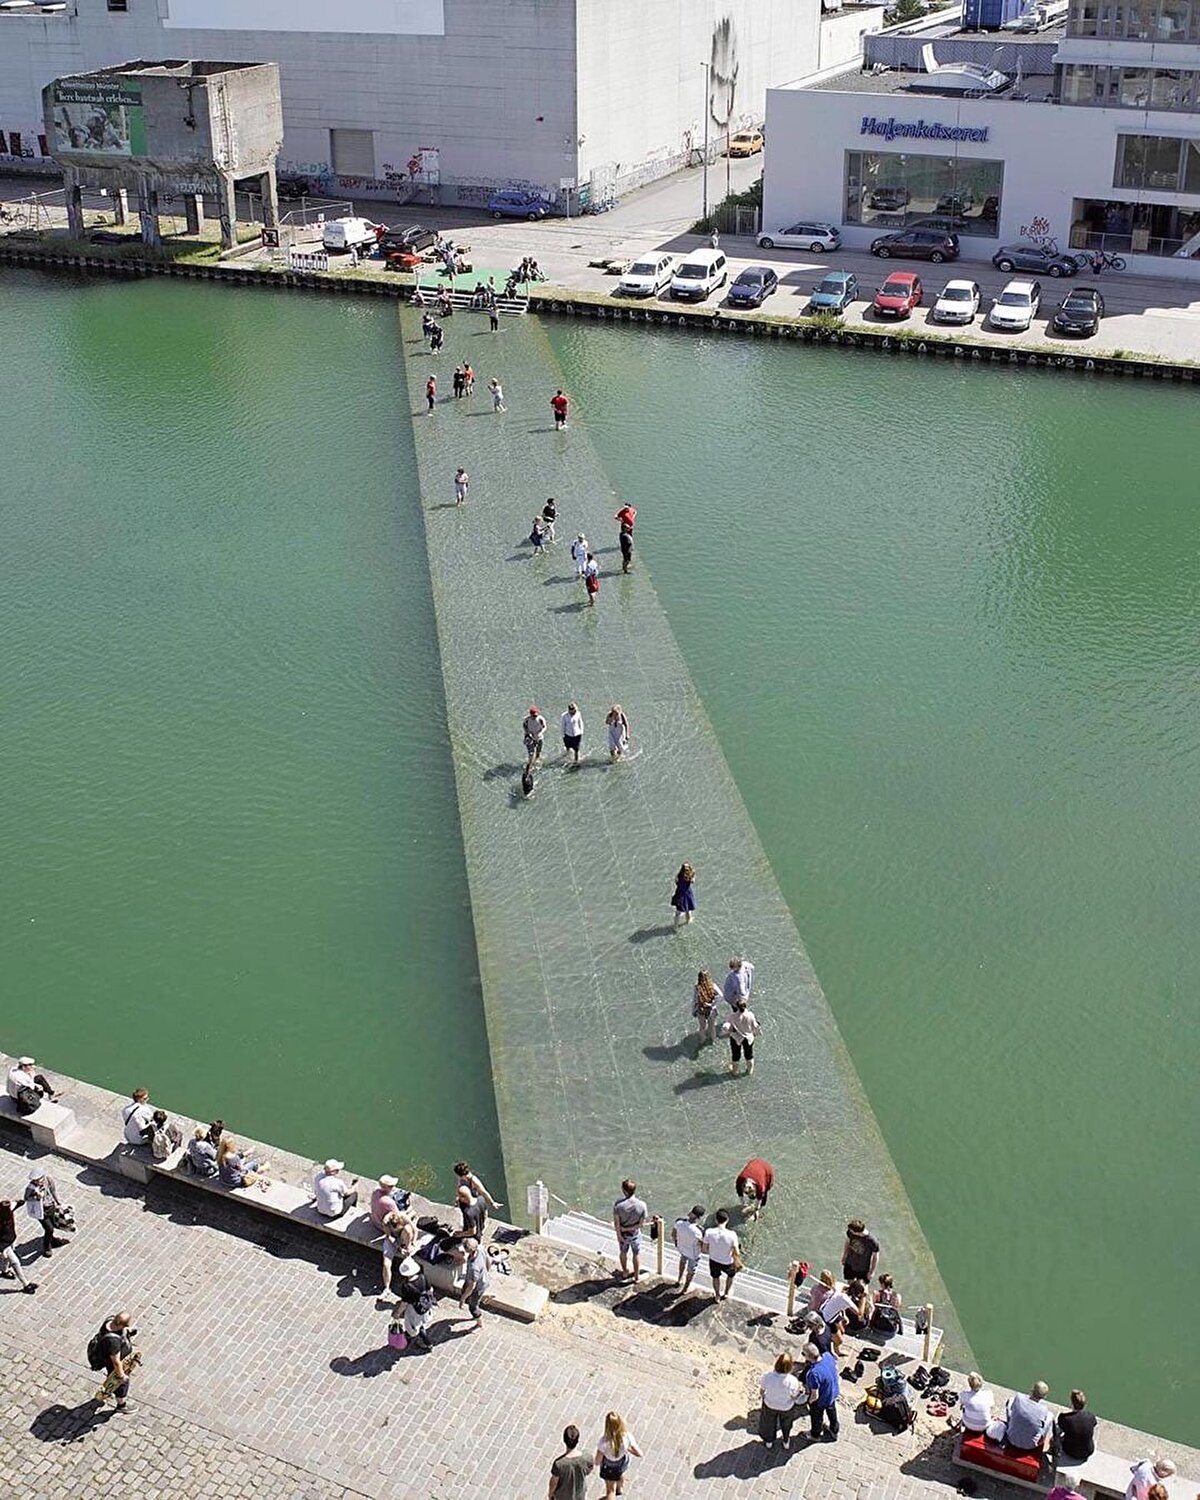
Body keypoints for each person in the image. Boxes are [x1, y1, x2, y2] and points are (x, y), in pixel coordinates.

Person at [995, 1382, 1054, 1454]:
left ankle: (1010, 1424)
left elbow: (1011, 1406)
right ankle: (1042, 1439)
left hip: (1011, 1438)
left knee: (1011, 1401)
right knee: (1050, 1416)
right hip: (1030, 1445)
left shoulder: (1019, 1398)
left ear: (1032, 1389)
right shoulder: (1043, 1410)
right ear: (1044, 1397)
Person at [759, 1351, 803, 1447]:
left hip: (770, 1404)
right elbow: (794, 1396)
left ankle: (769, 1441)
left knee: (769, 1423)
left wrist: (765, 1397)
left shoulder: (767, 1376)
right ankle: (786, 1440)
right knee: (786, 1424)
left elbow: (762, 1390)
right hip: (786, 1407)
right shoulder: (792, 1381)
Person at [594, 1412, 641, 1499]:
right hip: (621, 1463)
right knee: (619, 1474)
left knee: (610, 1491)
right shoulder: (627, 1437)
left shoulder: (603, 1442)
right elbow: (639, 1453)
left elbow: (597, 1461)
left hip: (609, 1467)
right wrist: (628, 1449)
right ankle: (620, 1488)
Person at [95, 1312, 136, 1412]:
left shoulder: (110, 1321)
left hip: (108, 1358)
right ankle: (121, 1405)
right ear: (121, 1325)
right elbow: (116, 1361)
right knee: (121, 1384)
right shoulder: (113, 1342)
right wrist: (121, 1376)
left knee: (112, 1377)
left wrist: (126, 1331)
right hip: (114, 1364)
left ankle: (107, 1392)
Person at [24, 1167, 68, 1259]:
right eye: (35, 1181)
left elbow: (53, 1191)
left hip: (51, 1207)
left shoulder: (49, 1180)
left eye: (38, 1180)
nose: (37, 1182)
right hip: (41, 1211)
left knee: (54, 1224)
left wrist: (58, 1202)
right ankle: (47, 1247)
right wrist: (36, 1197)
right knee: (49, 1229)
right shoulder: (31, 1188)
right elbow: (26, 1198)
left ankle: (53, 1240)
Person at [393, 1255, 435, 1351]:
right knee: (421, 1323)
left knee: (416, 1326)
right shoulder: (423, 1277)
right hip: (425, 1304)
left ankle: (427, 1343)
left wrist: (397, 1313)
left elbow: (404, 1303)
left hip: (414, 1309)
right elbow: (430, 1290)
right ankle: (415, 1336)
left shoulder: (406, 1286)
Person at [803, 1340, 841, 1442]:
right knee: (832, 1412)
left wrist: (809, 1402)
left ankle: (815, 1435)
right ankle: (834, 1430)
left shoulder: (814, 1373)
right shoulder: (828, 1356)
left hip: (822, 1399)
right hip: (833, 1392)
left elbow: (815, 1395)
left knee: (817, 1417)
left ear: (808, 1357)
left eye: (803, 1354)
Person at [612, 1178, 647, 1282]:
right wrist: (629, 1228)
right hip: (635, 1235)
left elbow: (617, 1224)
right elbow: (641, 1225)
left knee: (623, 1252)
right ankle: (636, 1277)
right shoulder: (642, 1205)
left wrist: (619, 1235)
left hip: (623, 1235)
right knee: (636, 1254)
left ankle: (625, 1272)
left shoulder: (618, 1205)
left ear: (624, 1191)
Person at [0, 1197, 37, 1292]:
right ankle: (26, 1284)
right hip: (4, 1245)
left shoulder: (8, 1209)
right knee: (15, 1262)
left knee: (6, 1259)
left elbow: (18, 1203)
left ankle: (4, 1271)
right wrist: (2, 1250)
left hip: (11, 1239)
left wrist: (20, 1202)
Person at [548, 1424, 594, 1500]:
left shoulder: (559, 1464)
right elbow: (589, 1469)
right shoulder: (587, 1457)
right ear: (577, 1441)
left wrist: (550, 1494)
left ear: (564, 1440)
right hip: (580, 1495)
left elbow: (554, 1483)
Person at [702, 1208, 740, 1301]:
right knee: (730, 1276)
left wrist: (714, 1251)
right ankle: (726, 1293)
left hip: (713, 1260)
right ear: (727, 1220)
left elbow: (704, 1250)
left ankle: (717, 1296)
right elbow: (737, 1252)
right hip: (728, 1262)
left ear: (716, 1220)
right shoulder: (732, 1234)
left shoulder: (709, 1232)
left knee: (715, 1277)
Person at [1055, 1389, 1097, 1465]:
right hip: (1088, 1451)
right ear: (1085, 1404)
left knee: (1057, 1434)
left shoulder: (1065, 1418)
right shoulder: (1091, 1416)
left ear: (1071, 1404)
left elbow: (1057, 1431)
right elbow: (1094, 1424)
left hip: (1070, 1451)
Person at [671, 1204, 705, 1294]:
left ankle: (679, 1279)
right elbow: (702, 1245)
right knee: (691, 1270)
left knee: (682, 1261)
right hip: (693, 1254)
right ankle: (685, 1289)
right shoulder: (698, 1231)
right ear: (700, 1217)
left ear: (691, 1212)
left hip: (682, 1249)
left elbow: (673, 1234)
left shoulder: (679, 1222)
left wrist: (677, 1243)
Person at [380, 1209, 416, 1294]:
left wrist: (412, 1244)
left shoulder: (403, 1217)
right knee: (386, 1264)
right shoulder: (386, 1222)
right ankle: (387, 1288)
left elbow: (415, 1230)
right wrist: (399, 1248)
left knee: (408, 1229)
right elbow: (389, 1237)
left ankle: (411, 1280)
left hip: (404, 1236)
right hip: (392, 1239)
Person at [457, 1235, 489, 1330]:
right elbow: (488, 1260)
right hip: (482, 1279)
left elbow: (472, 1286)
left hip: (478, 1287)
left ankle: (479, 1324)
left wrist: (462, 1300)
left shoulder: (473, 1267)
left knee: (473, 1307)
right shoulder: (480, 1248)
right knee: (465, 1291)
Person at [727, 996, 760, 1076]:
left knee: (736, 1055)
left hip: (736, 1037)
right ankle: (749, 1071)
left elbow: (726, 1026)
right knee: (749, 1055)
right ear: (745, 1006)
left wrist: (729, 1030)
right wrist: (757, 1032)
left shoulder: (732, 1016)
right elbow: (755, 1026)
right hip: (748, 1038)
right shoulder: (750, 1015)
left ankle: (735, 1072)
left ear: (736, 1006)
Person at [841, 1218, 880, 1284]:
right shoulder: (850, 1233)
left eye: (852, 1231)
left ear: (857, 1232)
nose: (850, 1231)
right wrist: (844, 1256)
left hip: (863, 1267)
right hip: (850, 1262)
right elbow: (847, 1242)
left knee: (862, 1285)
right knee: (850, 1281)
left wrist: (872, 1271)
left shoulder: (872, 1241)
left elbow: (875, 1257)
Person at [693, 970, 720, 1044]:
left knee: (702, 1027)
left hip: (701, 1009)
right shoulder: (713, 986)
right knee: (712, 1026)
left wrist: (693, 1010)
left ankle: (702, 1040)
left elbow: (695, 1000)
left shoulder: (697, 987)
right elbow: (720, 996)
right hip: (711, 1010)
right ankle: (713, 1040)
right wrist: (713, 1004)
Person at [671, 862, 696, 926]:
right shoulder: (690, 876)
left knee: (678, 912)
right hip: (688, 894)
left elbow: (676, 882)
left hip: (680, 894)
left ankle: (675, 925)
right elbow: (693, 881)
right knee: (688, 909)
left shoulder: (679, 876)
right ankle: (688, 921)